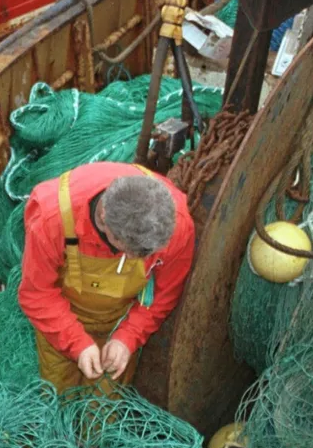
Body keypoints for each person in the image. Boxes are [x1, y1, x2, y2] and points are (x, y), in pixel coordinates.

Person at [18, 161, 196, 395]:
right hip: (59, 321)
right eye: (129, 250)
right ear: (103, 217)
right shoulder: (52, 218)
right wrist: (77, 344)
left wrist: (128, 337)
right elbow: (37, 294)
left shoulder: (176, 223)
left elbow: (164, 294)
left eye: (147, 254)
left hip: (121, 321)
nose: (137, 258)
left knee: (105, 404)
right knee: (59, 393)